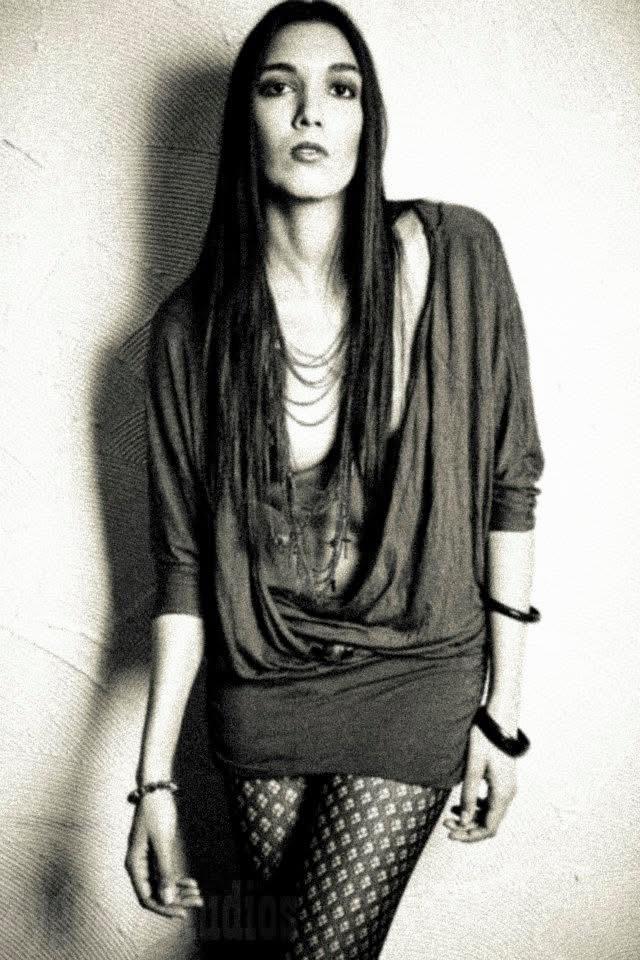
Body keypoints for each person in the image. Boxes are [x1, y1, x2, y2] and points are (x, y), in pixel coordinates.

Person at [124, 1, 545, 957]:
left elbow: (509, 487)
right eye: (280, 87)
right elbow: (184, 570)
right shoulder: (188, 333)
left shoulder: (459, 258)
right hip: (263, 686)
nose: (311, 111)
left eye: (340, 89)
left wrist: (504, 715)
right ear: (247, 121)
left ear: (366, 119)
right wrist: (153, 783)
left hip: (417, 669)